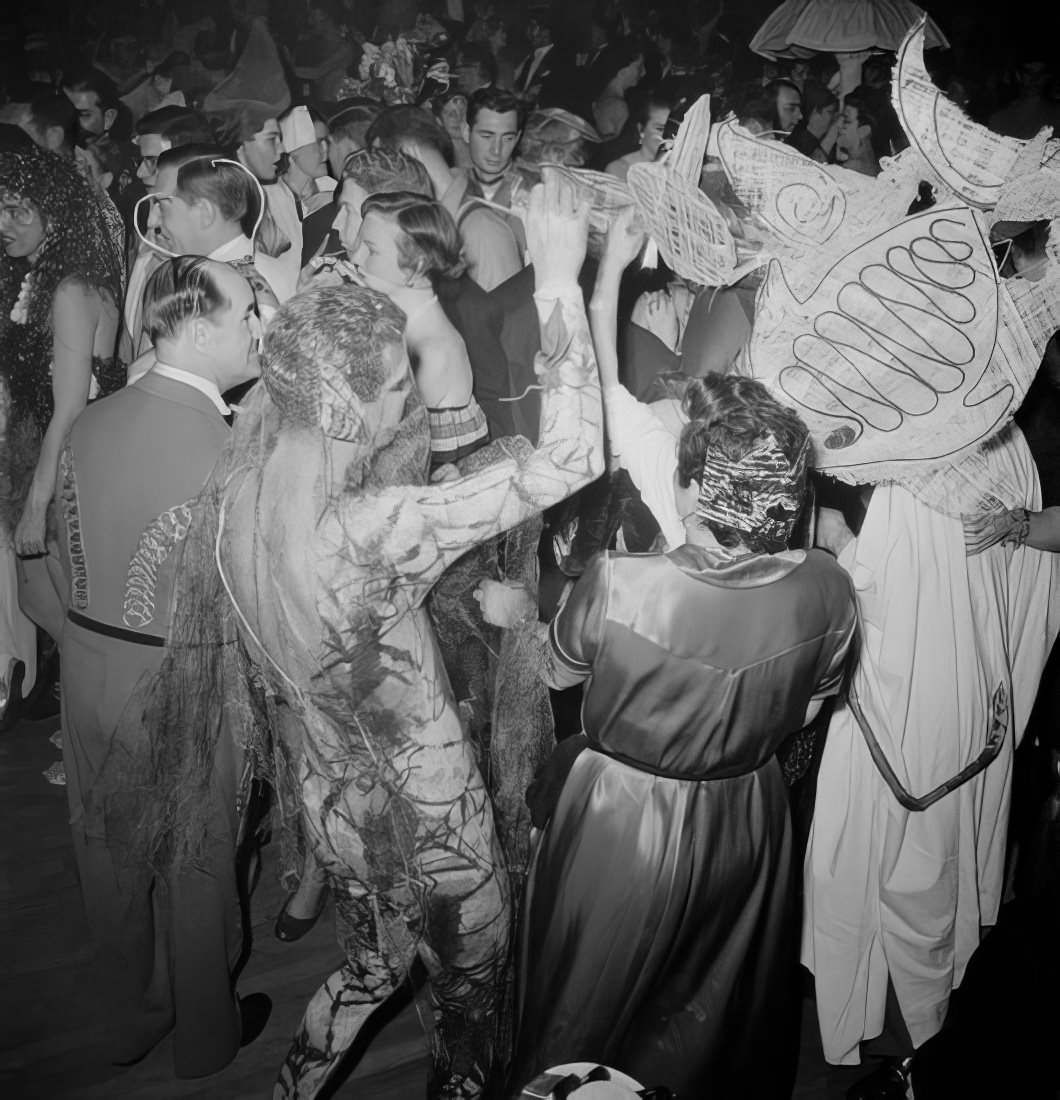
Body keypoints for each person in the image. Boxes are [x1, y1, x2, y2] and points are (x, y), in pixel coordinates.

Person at [214, 170, 604, 1099]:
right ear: (352, 405)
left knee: (367, 973)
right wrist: (560, 280)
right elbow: (577, 457)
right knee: (471, 1011)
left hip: (335, 805)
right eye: (398, 387)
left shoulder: (240, 496)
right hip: (436, 829)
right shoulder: (372, 527)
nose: (410, 401)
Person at [504, 213, 857, 1098]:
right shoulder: (830, 588)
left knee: (582, 1011)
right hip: (749, 817)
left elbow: (557, 674)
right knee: (707, 1015)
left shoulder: (628, 584)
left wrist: (602, 277)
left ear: (696, 487)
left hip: (624, 822)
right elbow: (812, 706)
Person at [55, 256, 267, 1076]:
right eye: (248, 311)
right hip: (184, 674)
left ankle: (130, 1013)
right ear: (201, 326)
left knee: (106, 854)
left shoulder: (93, 420)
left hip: (88, 663)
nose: (258, 327)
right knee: (200, 859)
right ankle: (206, 1036)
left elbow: (75, 563)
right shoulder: (229, 446)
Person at [0, 147, 125, 716]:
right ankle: (90, 722)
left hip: (67, 466)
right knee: (35, 599)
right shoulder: (42, 280)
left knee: (75, 611)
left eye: (18, 212)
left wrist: (35, 504)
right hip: (37, 455)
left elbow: (71, 407)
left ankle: (101, 734)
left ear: (56, 215)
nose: (4, 225)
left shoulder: (74, 289)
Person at [348, 190, 486, 468]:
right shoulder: (394, 323)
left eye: (371, 250)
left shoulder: (434, 352)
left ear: (417, 266)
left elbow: (401, 463)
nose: (356, 258)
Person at [605, 92, 673, 181]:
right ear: (641, 129)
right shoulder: (620, 169)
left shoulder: (677, 171)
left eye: (672, 130)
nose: (667, 135)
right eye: (660, 129)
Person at [592, 41, 646, 139]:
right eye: (639, 67)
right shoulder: (617, 106)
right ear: (621, 71)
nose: (643, 72)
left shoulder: (602, 98)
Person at [785, 80, 838, 163]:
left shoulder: (833, 144)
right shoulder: (795, 144)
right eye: (830, 112)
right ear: (815, 112)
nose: (834, 118)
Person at [835, 90, 883, 177]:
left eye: (846, 120)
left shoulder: (852, 168)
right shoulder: (872, 163)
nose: (838, 125)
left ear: (864, 131)